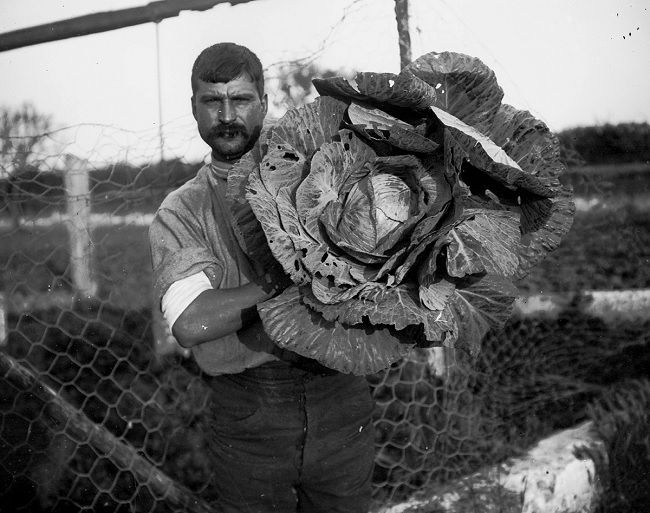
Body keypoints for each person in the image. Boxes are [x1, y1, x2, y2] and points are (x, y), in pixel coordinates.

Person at [149, 42, 376, 513]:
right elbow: (192, 323)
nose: (227, 115)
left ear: (265, 103)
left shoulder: (321, 171)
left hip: (339, 395)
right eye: (213, 101)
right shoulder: (182, 209)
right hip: (249, 416)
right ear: (194, 107)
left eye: (241, 100)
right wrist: (300, 274)